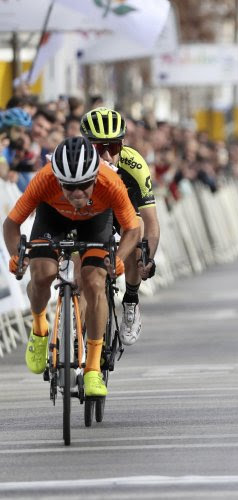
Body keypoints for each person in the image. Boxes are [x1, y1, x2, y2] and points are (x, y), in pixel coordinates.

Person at [2, 136, 140, 397]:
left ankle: (91, 370)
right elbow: (11, 224)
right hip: (52, 218)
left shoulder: (110, 183)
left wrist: (119, 257)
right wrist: (16, 255)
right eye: (69, 186)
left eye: (84, 186)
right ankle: (40, 329)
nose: (77, 194)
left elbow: (132, 228)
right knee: (42, 274)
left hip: (96, 221)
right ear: (57, 178)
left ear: (95, 177)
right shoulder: (44, 179)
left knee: (95, 281)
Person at [80, 107, 160, 346]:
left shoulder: (134, 164)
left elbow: (151, 222)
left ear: (122, 145)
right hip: (90, 211)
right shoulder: (76, 161)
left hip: (124, 211)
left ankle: (131, 300)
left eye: (113, 148)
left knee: (136, 241)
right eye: (97, 148)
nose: (106, 156)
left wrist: (148, 257)